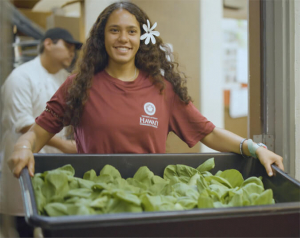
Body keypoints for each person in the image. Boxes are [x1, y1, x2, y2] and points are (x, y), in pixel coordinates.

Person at [8, 1, 283, 198]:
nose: (123, 38)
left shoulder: (162, 90)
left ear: (142, 37)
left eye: (131, 31)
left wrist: (253, 147)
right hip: (93, 202)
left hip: (150, 200)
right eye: (114, 30)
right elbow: (37, 132)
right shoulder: (78, 85)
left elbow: (208, 132)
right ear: (102, 36)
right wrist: (23, 146)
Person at [0, 27, 82, 237]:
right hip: (24, 165)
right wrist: (66, 146)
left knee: (53, 223)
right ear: (48, 44)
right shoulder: (21, 77)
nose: (72, 53)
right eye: (67, 46)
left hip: (55, 168)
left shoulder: (66, 79)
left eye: (74, 49)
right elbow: (24, 124)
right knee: (23, 225)